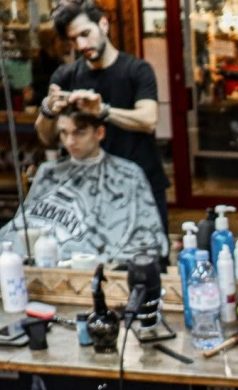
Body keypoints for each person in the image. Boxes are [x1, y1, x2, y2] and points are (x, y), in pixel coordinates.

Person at [34, 0, 169, 240]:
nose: (81, 45)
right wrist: (48, 110)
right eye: (74, 39)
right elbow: (47, 137)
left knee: (148, 255)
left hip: (140, 185)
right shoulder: (65, 76)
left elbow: (148, 119)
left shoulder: (137, 70)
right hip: (87, 190)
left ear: (104, 25)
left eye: (85, 34)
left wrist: (102, 111)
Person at [0, 106, 167, 263]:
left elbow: (146, 238)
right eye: (64, 133)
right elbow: (21, 225)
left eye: (79, 133)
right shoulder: (48, 171)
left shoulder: (128, 174)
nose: (70, 142)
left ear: (99, 133)